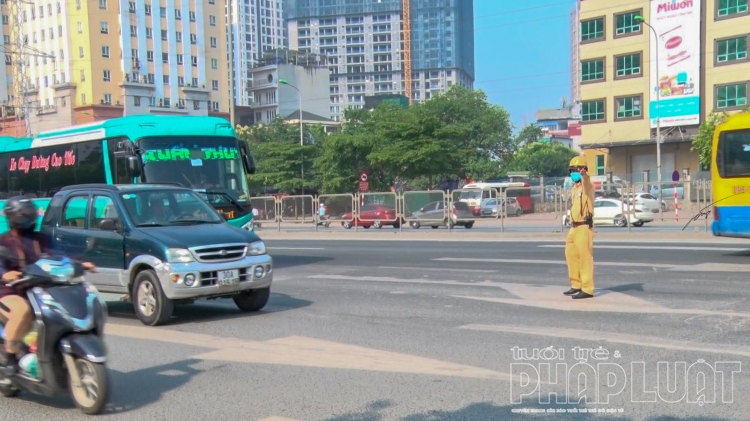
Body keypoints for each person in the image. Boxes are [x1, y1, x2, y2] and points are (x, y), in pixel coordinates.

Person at [0, 197, 95, 375]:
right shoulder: (3, 241)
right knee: (23, 311)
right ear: (13, 217)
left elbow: (60, 255)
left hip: (38, 288)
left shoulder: (41, 239)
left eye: (29, 212)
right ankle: (11, 357)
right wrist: (5, 274)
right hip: (9, 290)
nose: (28, 217)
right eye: (23, 214)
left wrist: (80, 263)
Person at [563, 156, 595, 299]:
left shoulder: (587, 186)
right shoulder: (575, 188)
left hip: (583, 226)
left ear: (582, 170)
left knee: (584, 258)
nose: (572, 174)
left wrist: (584, 175)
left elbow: (586, 181)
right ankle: (576, 284)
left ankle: (587, 288)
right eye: (571, 171)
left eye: (575, 170)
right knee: (571, 255)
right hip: (573, 227)